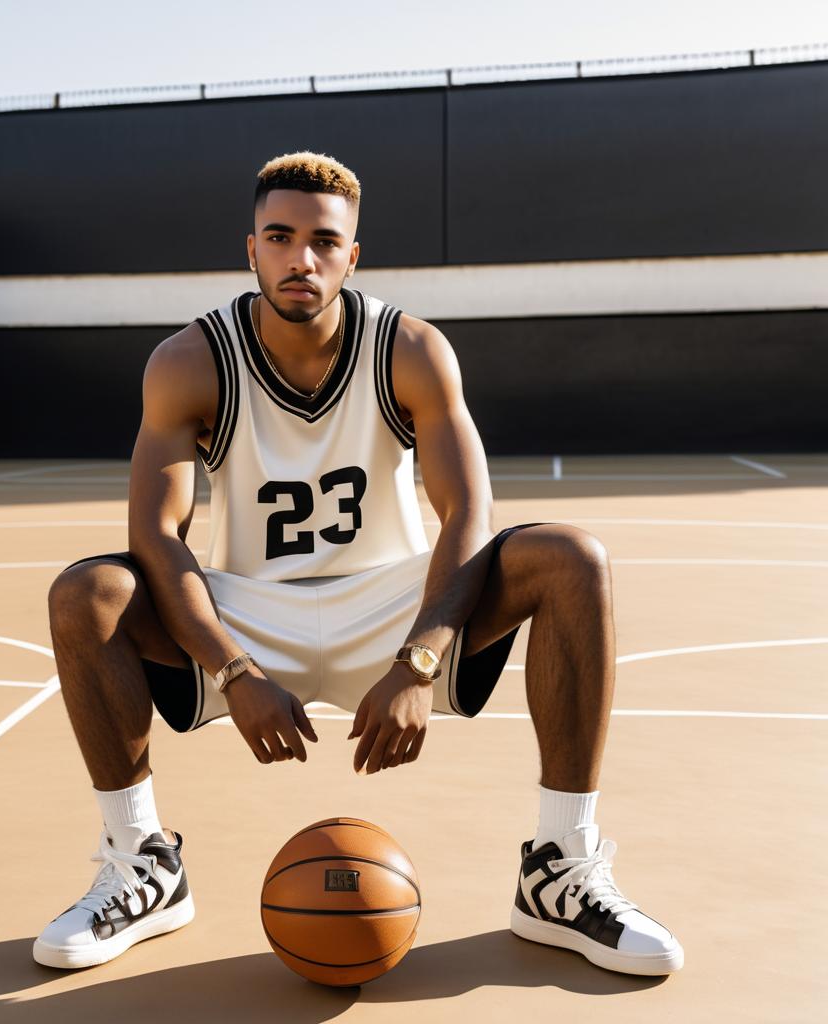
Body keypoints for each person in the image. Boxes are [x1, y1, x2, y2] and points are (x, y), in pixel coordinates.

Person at [33, 151, 683, 977]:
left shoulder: (408, 348)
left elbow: (466, 512)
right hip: (248, 610)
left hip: (393, 605)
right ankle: (142, 863)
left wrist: (419, 661)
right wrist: (233, 670)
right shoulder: (190, 361)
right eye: (280, 237)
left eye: (322, 241)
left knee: (571, 560)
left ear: (352, 255)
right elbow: (156, 538)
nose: (300, 259)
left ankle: (559, 869)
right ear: (252, 249)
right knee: (88, 592)